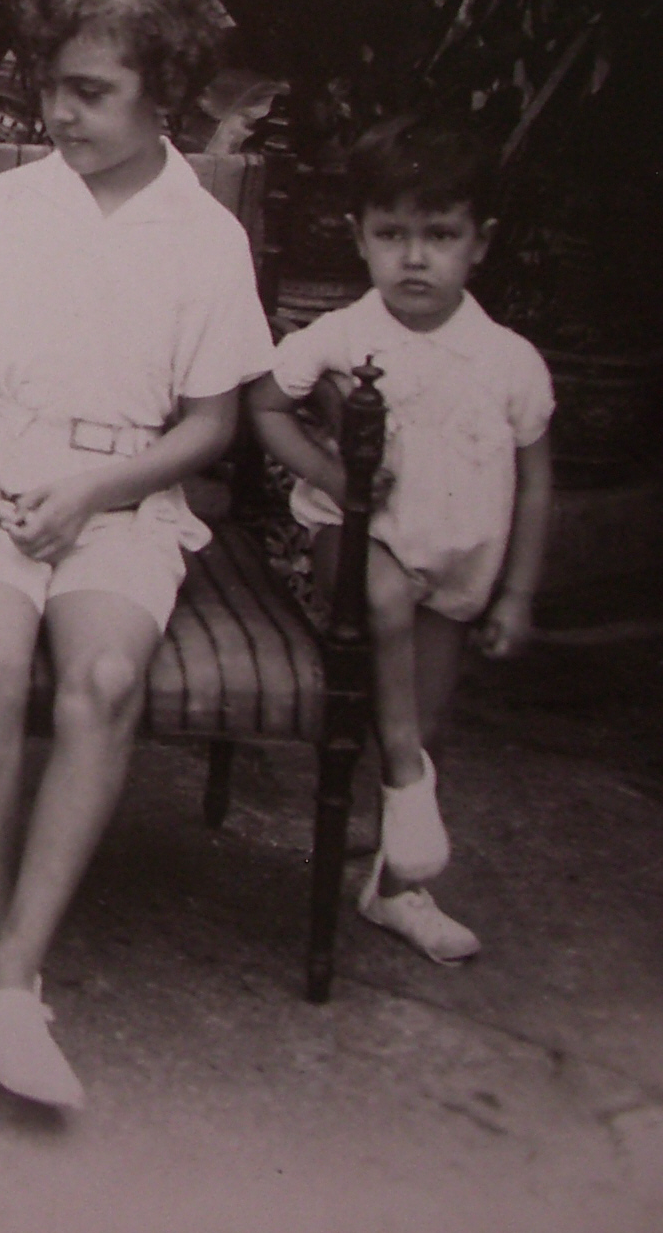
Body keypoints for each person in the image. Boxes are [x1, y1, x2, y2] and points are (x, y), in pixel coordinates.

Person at [0, 0, 275, 1109]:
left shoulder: (207, 237)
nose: (58, 112)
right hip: (1, 471)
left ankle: (9, 973)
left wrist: (95, 492)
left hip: (122, 495)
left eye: (91, 91)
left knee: (101, 682)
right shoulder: (10, 208)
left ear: (162, 91)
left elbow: (212, 424)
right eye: (49, 85)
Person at [249, 113, 554, 966]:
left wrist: (518, 592)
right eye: (390, 235)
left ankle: (395, 888)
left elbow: (535, 483)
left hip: (455, 568)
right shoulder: (347, 334)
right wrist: (330, 470)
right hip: (353, 541)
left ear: (478, 243)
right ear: (359, 238)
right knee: (380, 595)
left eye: (439, 235)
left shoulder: (509, 361)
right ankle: (402, 784)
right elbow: (264, 402)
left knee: (430, 719)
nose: (413, 258)